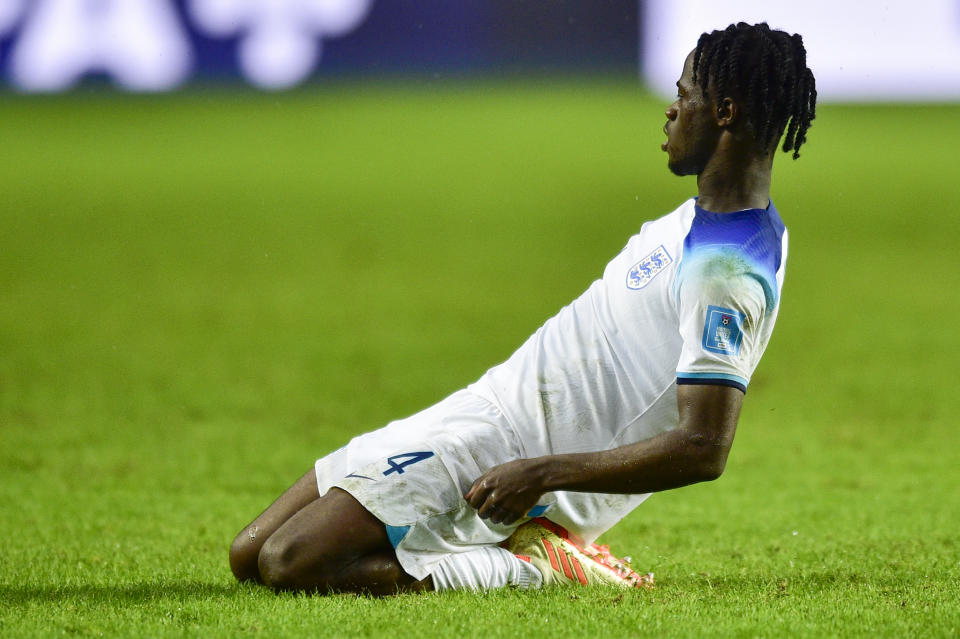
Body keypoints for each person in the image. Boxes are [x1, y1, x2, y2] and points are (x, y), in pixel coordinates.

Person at [228, 22, 817, 595]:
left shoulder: (728, 271)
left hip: (517, 454)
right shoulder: (713, 220)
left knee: (292, 562)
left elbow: (703, 447)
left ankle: (542, 566)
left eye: (684, 95)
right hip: (487, 406)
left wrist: (542, 472)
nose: (669, 110)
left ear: (726, 113)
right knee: (248, 554)